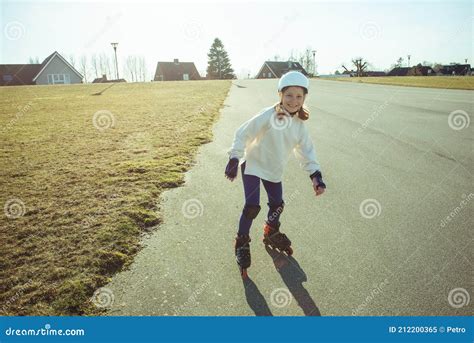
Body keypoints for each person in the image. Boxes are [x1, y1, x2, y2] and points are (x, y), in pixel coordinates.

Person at [224, 71, 326, 277]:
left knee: (277, 204)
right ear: (280, 94)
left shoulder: (299, 125)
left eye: (299, 96)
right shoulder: (268, 115)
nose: (293, 100)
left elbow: (306, 151)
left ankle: (271, 230)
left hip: (273, 169)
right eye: (289, 95)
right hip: (252, 165)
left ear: (304, 98)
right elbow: (243, 132)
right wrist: (234, 157)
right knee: (252, 206)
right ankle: (241, 241)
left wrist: (315, 174)